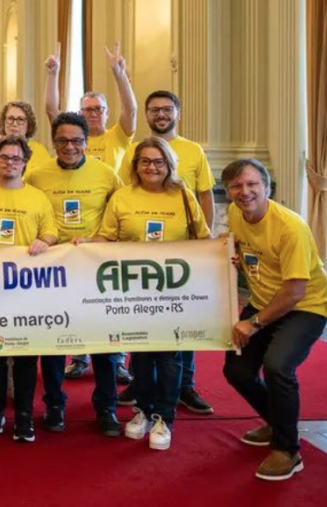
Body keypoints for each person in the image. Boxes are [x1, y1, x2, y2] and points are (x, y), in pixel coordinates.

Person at [86, 138, 210, 451]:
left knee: (169, 357)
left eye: (158, 161)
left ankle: (164, 418)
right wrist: (84, 247)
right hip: (134, 293)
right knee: (140, 354)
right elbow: (106, 236)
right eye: (145, 161)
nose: (151, 167)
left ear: (169, 164)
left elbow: (203, 239)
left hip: (173, 293)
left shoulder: (184, 196)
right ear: (135, 165)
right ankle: (143, 410)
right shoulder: (122, 197)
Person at [221, 159, 327, 481]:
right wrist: (236, 259)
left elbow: (295, 290)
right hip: (262, 302)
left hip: (305, 307)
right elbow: (251, 256)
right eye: (237, 186)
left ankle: (287, 449)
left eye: (253, 184)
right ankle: (277, 420)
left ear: (266, 187)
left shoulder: (289, 226)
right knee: (237, 370)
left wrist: (253, 323)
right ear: (228, 192)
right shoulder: (234, 215)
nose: (245, 192)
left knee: (278, 366)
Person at [117, 90, 217, 414]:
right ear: (146, 115)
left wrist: (206, 245)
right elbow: (125, 194)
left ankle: (185, 386)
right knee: (141, 326)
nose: (161, 114)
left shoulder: (193, 151)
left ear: (178, 112)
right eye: (154, 110)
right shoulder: (134, 150)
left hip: (180, 256)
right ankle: (140, 383)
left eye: (167, 109)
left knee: (181, 330)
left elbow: (204, 198)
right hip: (141, 262)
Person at [27, 112, 123, 436]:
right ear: (53, 142)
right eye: (63, 141)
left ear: (86, 142)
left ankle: (106, 407)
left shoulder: (106, 174)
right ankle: (55, 403)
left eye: (77, 141)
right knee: (54, 342)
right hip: (52, 271)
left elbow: (121, 210)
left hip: (94, 269)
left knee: (104, 341)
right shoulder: (37, 177)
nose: (70, 147)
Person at [0, 135, 58, 440]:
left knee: (25, 357)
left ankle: (23, 417)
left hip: (25, 291)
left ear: (25, 163)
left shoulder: (37, 197)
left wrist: (43, 241)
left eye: (16, 159)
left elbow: (51, 233)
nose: (9, 163)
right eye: (4, 157)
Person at [44, 42, 138, 170]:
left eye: (99, 109)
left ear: (107, 113)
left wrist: (119, 74)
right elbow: (51, 110)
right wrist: (52, 74)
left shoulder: (118, 136)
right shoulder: (71, 139)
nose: (93, 114)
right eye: (88, 110)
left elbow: (130, 110)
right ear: (80, 113)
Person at [0, 101, 52, 175]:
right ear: (3, 122)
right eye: (10, 118)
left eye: (20, 119)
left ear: (28, 124)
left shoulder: (40, 150)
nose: (15, 124)